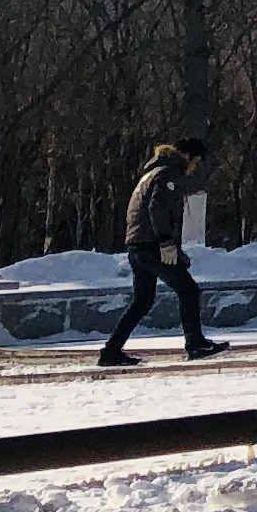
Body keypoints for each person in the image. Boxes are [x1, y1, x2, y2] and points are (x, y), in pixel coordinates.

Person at [96, 135, 224, 368]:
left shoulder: (152, 172)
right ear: (188, 156)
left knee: (142, 301)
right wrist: (166, 242)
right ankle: (195, 343)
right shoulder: (168, 174)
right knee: (188, 289)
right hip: (151, 245)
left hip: (137, 245)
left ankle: (111, 350)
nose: (194, 168)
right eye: (195, 162)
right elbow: (157, 208)